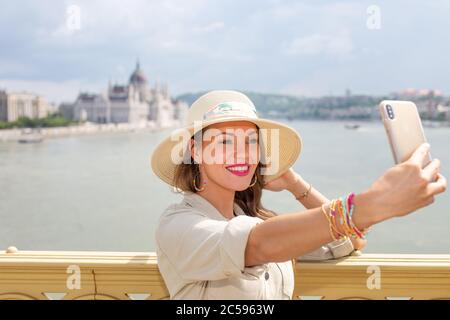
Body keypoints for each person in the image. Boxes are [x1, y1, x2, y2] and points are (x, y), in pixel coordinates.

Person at [150, 90, 447, 300]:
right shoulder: (178, 225)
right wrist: (373, 203)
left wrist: (294, 183)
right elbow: (257, 244)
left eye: (252, 141)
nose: (242, 152)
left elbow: (350, 241)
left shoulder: (259, 221)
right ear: (195, 151)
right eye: (225, 141)